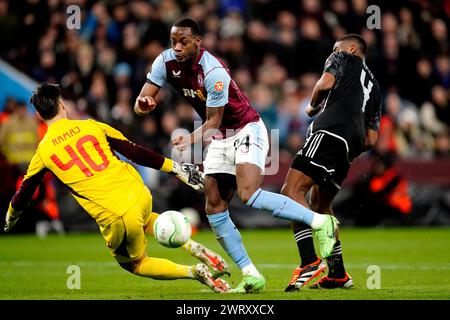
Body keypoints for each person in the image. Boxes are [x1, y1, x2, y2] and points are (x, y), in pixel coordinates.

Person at [134, 17, 338, 293]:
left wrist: (189, 140)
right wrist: (143, 105)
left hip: (246, 129)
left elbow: (213, 122)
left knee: (248, 193)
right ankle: (251, 274)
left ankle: (320, 221)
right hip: (220, 138)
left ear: (198, 41)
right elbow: (142, 102)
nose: (177, 48)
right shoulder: (165, 62)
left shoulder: (214, 71)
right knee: (214, 204)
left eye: (183, 42)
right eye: (173, 42)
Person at [3, 82, 231, 293]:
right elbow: (135, 151)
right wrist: (177, 169)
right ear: (62, 105)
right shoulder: (92, 126)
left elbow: (24, 193)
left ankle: (193, 272)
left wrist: (11, 217)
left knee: (136, 265)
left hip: (116, 215)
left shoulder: (43, 152)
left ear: (39, 115)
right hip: (139, 193)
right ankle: (193, 247)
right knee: (144, 219)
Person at [280, 34, 381, 291]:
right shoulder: (375, 86)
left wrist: (313, 107)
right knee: (321, 204)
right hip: (351, 146)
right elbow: (371, 139)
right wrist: (351, 147)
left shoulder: (341, 56)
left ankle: (308, 261)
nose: (332, 51)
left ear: (352, 47)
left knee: (291, 191)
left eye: (335, 47)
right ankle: (337, 274)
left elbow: (324, 83)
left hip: (330, 131)